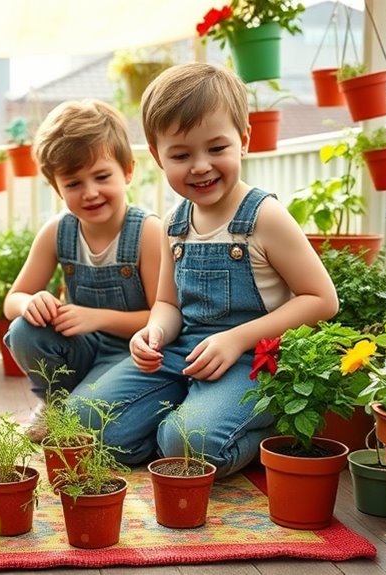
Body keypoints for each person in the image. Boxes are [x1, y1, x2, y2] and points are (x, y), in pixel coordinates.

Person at [71, 63, 338, 477]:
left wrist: (236, 339)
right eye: (181, 154)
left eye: (216, 149)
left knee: (189, 442)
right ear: (158, 156)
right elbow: (167, 303)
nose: (200, 166)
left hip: (251, 361)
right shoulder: (175, 223)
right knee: (84, 417)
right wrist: (154, 331)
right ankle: (182, 425)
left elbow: (322, 300)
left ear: (244, 140)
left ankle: (249, 434)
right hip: (184, 353)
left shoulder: (264, 216)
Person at [3, 99, 163, 442]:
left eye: (102, 176)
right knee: (23, 330)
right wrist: (31, 303)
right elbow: (13, 299)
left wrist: (96, 317)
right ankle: (55, 402)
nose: (90, 192)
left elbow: (161, 318)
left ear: (128, 171)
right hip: (81, 351)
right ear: (55, 186)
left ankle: (99, 413)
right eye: (73, 183)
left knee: (96, 428)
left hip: (132, 356)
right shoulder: (57, 232)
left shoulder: (148, 232)